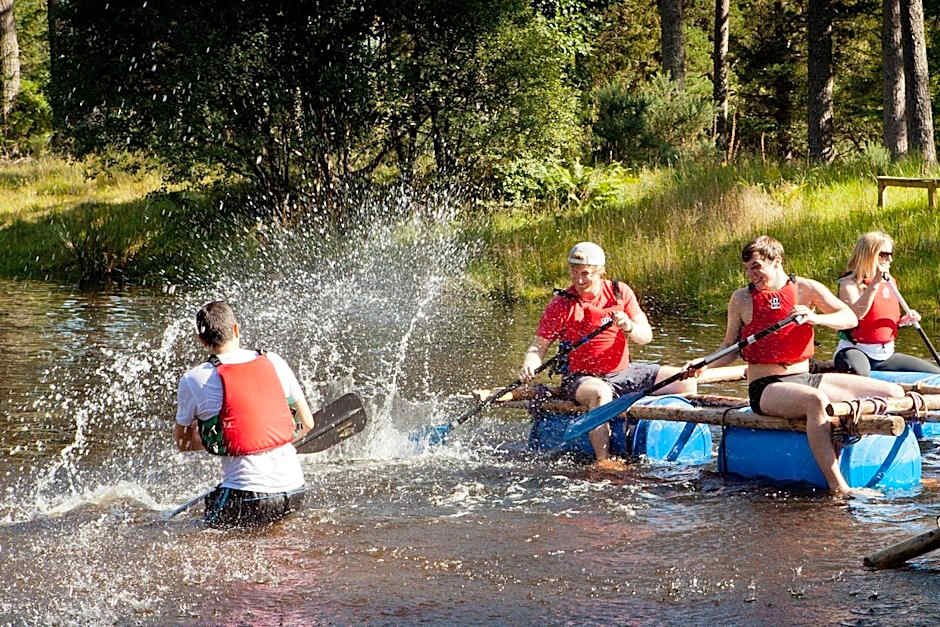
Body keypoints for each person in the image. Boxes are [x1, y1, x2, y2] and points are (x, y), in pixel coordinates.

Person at [694, 235, 904, 496]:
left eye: (757, 267)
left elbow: (849, 318)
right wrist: (704, 365)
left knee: (893, 392)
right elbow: (731, 348)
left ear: (777, 261)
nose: (751, 275)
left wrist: (815, 318)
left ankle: (860, 448)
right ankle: (838, 486)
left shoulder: (806, 288)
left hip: (805, 377)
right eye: (747, 269)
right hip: (767, 387)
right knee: (815, 401)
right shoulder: (741, 299)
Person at [519, 241, 696, 470]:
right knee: (601, 394)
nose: (579, 280)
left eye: (585, 273)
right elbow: (538, 347)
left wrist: (629, 326)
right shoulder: (561, 304)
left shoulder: (620, 292)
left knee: (685, 382)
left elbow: (646, 336)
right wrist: (530, 363)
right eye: (574, 272)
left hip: (623, 372)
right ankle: (603, 460)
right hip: (582, 379)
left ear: (600, 271)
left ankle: (663, 434)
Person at [174, 301, 316, 528]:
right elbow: (307, 423)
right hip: (295, 490)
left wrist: (221, 438)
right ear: (236, 329)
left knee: (192, 532)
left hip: (247, 498)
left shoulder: (193, 379)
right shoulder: (274, 361)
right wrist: (267, 437)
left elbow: (183, 443)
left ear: (201, 340)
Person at [834, 231, 940, 376]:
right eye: (884, 255)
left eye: (891, 254)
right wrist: (875, 283)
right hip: (856, 351)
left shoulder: (890, 282)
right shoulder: (848, 284)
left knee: (935, 373)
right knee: (858, 373)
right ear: (868, 255)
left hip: (885, 356)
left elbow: (880, 320)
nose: (890, 259)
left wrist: (903, 321)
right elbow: (855, 316)